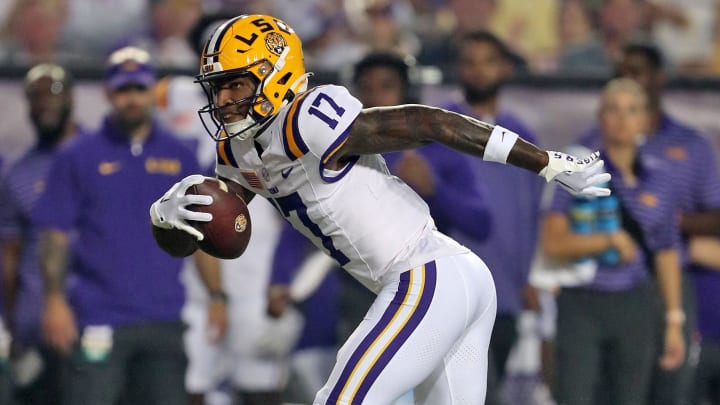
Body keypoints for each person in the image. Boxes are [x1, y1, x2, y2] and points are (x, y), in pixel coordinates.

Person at [149, 14, 610, 404]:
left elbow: (429, 122)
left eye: (235, 84)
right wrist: (167, 219)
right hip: (449, 279)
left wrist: (545, 162)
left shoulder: (308, 117)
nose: (224, 99)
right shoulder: (238, 151)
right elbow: (220, 238)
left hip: (427, 277)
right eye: (217, 87)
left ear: (277, 73)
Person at [32, 46, 204, 405]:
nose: (132, 99)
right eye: (123, 90)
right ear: (109, 93)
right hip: (98, 315)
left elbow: (200, 229)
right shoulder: (77, 155)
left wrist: (218, 297)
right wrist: (53, 300)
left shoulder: (181, 156)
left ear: (152, 91)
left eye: (139, 89)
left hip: (164, 316)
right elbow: (55, 235)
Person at [580, 42, 720, 405]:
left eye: (639, 70)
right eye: (622, 72)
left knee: (671, 384)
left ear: (659, 79)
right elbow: (563, 220)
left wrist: (671, 219)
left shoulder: (691, 145)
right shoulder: (588, 150)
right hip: (606, 282)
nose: (630, 79)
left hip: (670, 278)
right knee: (616, 389)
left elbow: (716, 214)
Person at [542, 78, 685, 405]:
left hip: (636, 303)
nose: (622, 119)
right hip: (582, 302)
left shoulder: (661, 178)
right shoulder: (577, 171)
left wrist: (675, 319)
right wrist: (607, 240)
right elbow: (553, 242)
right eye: (613, 110)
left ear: (646, 120)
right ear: (600, 116)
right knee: (574, 396)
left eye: (632, 110)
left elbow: (665, 251)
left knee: (630, 398)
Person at [439, 30, 543, 404]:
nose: (478, 71)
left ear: (504, 68)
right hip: (455, 288)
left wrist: (530, 276)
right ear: (457, 70)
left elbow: (530, 212)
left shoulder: (523, 134)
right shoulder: (440, 127)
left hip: (508, 292)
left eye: (488, 62)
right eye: (469, 62)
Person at [0, 64, 85, 405]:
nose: (44, 104)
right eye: (35, 96)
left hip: (95, 317)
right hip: (34, 326)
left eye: (53, 93)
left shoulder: (101, 156)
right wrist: (14, 323)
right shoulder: (17, 173)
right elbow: (9, 256)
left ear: (71, 98)